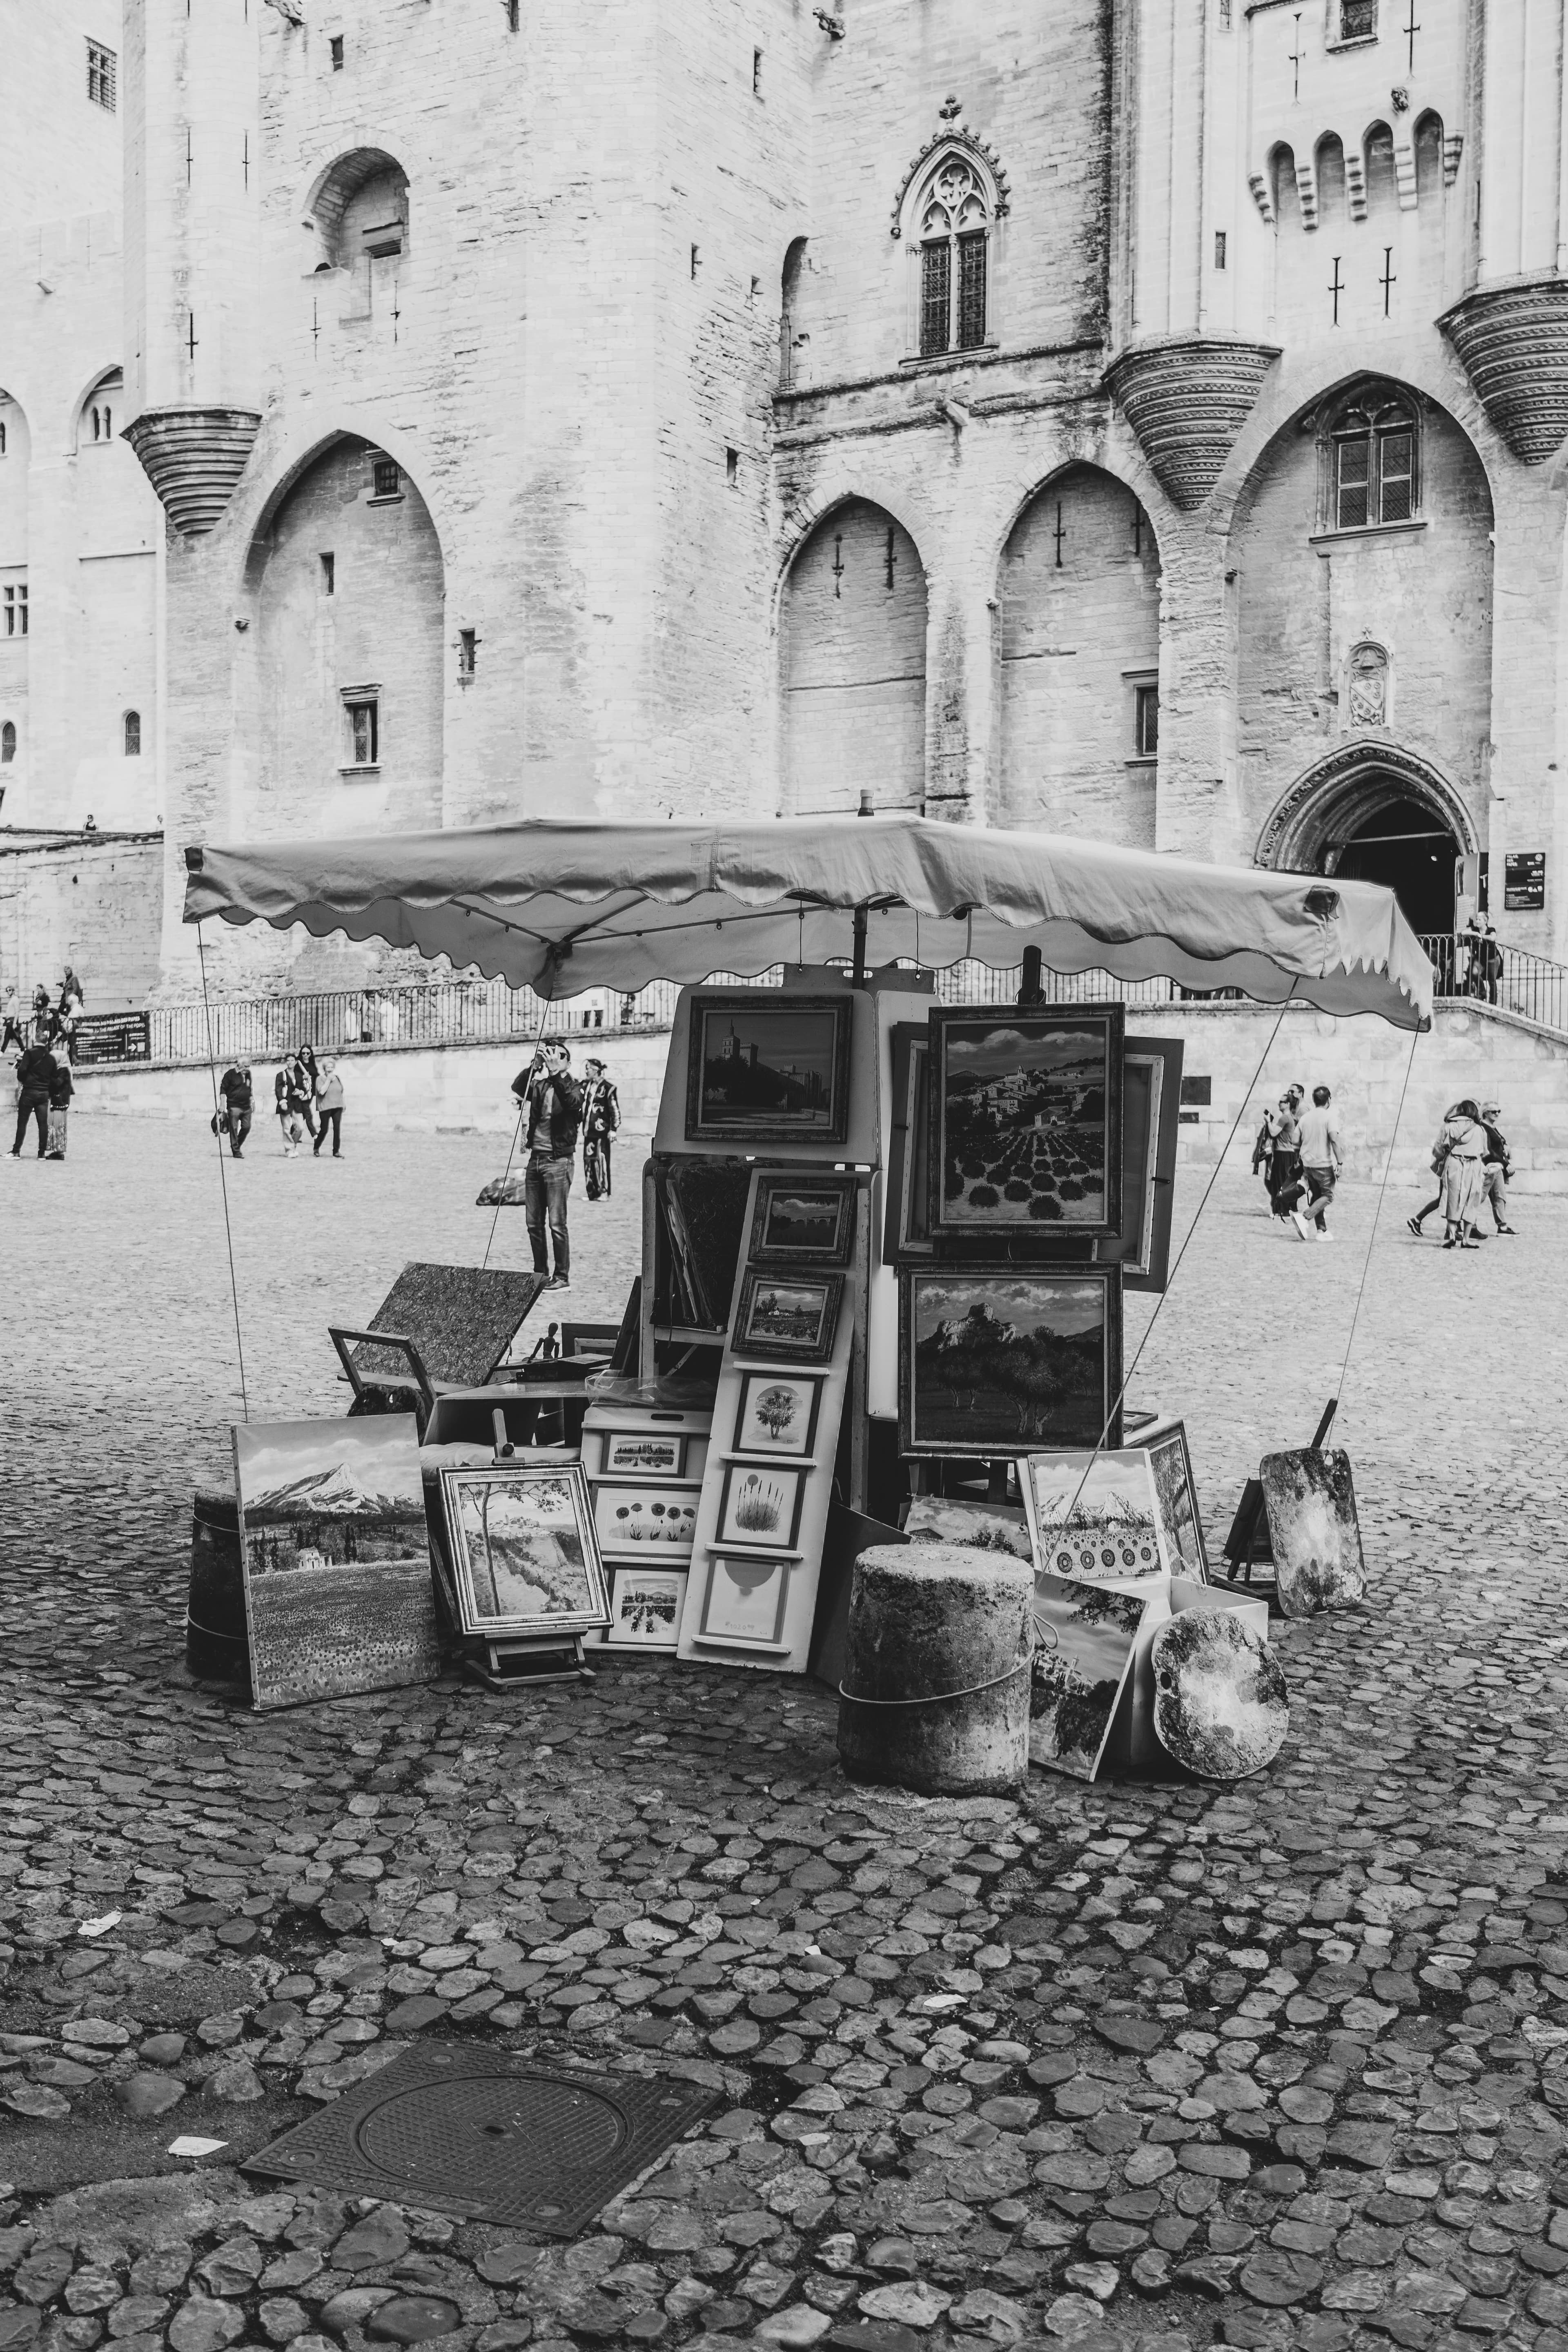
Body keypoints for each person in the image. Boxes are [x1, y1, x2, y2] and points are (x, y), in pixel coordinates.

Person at [511, 1039, 582, 1291]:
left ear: (568, 1063)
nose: (555, 1058)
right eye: (552, 1054)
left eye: (560, 1056)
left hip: (559, 1162)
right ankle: (540, 1273)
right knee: (533, 1224)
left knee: (557, 1224)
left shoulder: (575, 1086)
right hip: (536, 1161)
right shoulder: (540, 1086)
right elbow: (519, 1087)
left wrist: (555, 1074)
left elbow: (573, 1103)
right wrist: (536, 1065)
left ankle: (562, 1276)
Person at [1433, 1098, 1488, 1248]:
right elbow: (1484, 1151)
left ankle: (1452, 1236)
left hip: (1454, 1164)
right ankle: (1466, 1240)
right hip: (1474, 1165)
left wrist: (1444, 1155)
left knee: (1452, 1199)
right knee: (1472, 1201)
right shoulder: (1479, 1129)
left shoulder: (1448, 1126)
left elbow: (1438, 1150)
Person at [1291, 1083, 1343, 1241]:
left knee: (1318, 1196)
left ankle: (1322, 1231)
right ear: (1329, 1100)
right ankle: (1304, 1217)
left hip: (1308, 1165)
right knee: (1329, 1196)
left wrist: (1299, 1156)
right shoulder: (1329, 1117)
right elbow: (1334, 1139)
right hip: (1323, 1165)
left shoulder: (1305, 1118)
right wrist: (1340, 1163)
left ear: (1314, 1101)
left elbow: (1295, 1140)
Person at [1408, 1101, 1465, 1238]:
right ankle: (1418, 1220)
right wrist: (1447, 1156)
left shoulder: (1452, 1126)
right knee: (1446, 1198)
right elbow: (1438, 1149)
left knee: (1448, 1198)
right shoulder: (1450, 1127)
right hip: (1448, 1166)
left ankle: (1452, 1228)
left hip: (1449, 1166)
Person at [580, 1056, 620, 1200]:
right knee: (589, 1162)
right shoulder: (586, 1085)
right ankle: (593, 1193)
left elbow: (614, 1109)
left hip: (602, 1132)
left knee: (602, 1161)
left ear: (596, 1070)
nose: (586, 1071)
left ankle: (604, 1192)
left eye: (588, 1069)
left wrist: (614, 1129)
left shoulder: (608, 1088)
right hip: (589, 1132)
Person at [11, 1037, 56, 1158]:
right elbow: (54, 1077)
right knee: (43, 1124)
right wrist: (49, 1092)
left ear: (35, 1041)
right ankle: (41, 1153)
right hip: (44, 1093)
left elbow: (22, 1070)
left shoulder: (29, 1053)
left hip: (29, 1091)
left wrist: (23, 1080)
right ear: (46, 1042)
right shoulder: (51, 1057)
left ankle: (16, 1151)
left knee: (22, 1122)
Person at [1479, 1097, 1516, 1234]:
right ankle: (1462, 1221)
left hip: (1498, 1168)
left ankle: (1502, 1226)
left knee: (1500, 1196)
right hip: (1489, 1167)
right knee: (1480, 1196)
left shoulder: (1493, 1127)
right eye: (1493, 1111)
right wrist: (1506, 1164)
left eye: (1499, 1111)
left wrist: (1506, 1148)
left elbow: (1499, 1143)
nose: (1497, 1114)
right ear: (1485, 1113)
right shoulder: (1483, 1128)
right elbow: (1488, 1151)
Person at [219, 1059, 254, 1158]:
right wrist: (222, 1104)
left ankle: (236, 1145)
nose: (248, 1069)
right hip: (234, 1106)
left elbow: (249, 1088)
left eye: (249, 1066)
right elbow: (223, 1090)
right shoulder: (230, 1074)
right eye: (246, 1066)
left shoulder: (248, 1074)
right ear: (240, 1065)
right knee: (234, 1128)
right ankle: (236, 1151)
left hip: (247, 1107)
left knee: (247, 1127)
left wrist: (252, 1100)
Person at [314, 1057, 345, 1157]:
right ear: (325, 1068)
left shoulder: (337, 1078)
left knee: (337, 1128)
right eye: (328, 1067)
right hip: (325, 1107)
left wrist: (343, 1104)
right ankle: (316, 1146)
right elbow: (322, 1092)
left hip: (338, 1106)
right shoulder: (320, 1079)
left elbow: (341, 1091)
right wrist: (328, 1080)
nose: (330, 1069)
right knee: (324, 1129)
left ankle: (336, 1151)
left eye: (332, 1067)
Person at [45, 1051, 74, 1158]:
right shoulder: (59, 1069)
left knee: (58, 1126)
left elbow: (58, 1083)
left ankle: (59, 1151)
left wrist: (48, 1076)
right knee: (53, 1125)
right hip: (55, 1102)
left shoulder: (64, 1070)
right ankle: (55, 1150)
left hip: (59, 1103)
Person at [274, 1065, 303, 1155]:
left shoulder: (299, 1075)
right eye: (288, 1060)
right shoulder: (281, 1075)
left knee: (300, 1128)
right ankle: (290, 1150)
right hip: (286, 1104)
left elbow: (304, 1088)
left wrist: (301, 1092)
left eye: (292, 1060)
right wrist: (282, 1102)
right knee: (286, 1128)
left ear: (296, 1062)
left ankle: (292, 1145)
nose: (290, 1062)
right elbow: (278, 1089)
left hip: (296, 1105)